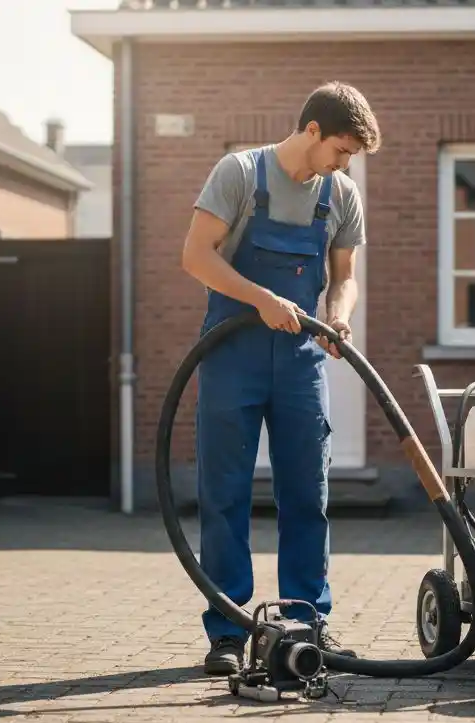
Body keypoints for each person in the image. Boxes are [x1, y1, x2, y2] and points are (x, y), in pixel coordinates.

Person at [180, 82, 380, 676]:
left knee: (306, 497)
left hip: (299, 362)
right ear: (312, 130)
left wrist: (339, 314)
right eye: (341, 150)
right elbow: (195, 255)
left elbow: (344, 275)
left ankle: (306, 623)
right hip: (231, 355)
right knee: (225, 496)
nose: (345, 165)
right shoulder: (239, 174)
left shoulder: (340, 194)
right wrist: (259, 298)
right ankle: (226, 629)